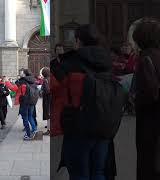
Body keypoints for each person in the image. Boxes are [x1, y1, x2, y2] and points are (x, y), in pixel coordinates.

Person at [50, 24, 117, 180]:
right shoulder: (107, 61)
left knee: (79, 173)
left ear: (78, 41)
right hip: (103, 123)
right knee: (98, 171)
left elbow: (53, 87)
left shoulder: (70, 62)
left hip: (78, 124)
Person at [132, 18, 160, 180]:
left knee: (148, 164)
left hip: (150, 121)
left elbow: (151, 94)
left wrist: (135, 96)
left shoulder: (146, 59)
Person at [4, 69, 38, 140]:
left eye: (21, 73)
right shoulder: (33, 80)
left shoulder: (23, 81)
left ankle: (28, 135)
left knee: (25, 118)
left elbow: (13, 88)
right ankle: (34, 130)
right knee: (30, 116)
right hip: (32, 101)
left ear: (25, 74)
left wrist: (6, 81)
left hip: (25, 102)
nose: (20, 74)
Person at [41, 67, 51, 135]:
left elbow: (47, 90)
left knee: (48, 114)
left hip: (48, 99)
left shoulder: (45, 80)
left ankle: (49, 130)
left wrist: (42, 92)